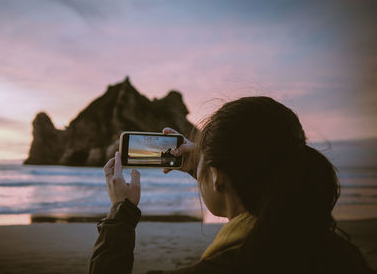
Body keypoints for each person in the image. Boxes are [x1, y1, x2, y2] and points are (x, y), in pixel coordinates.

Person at [88, 96, 374, 274]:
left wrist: (120, 214)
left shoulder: (232, 265)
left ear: (218, 177)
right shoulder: (340, 252)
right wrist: (204, 167)